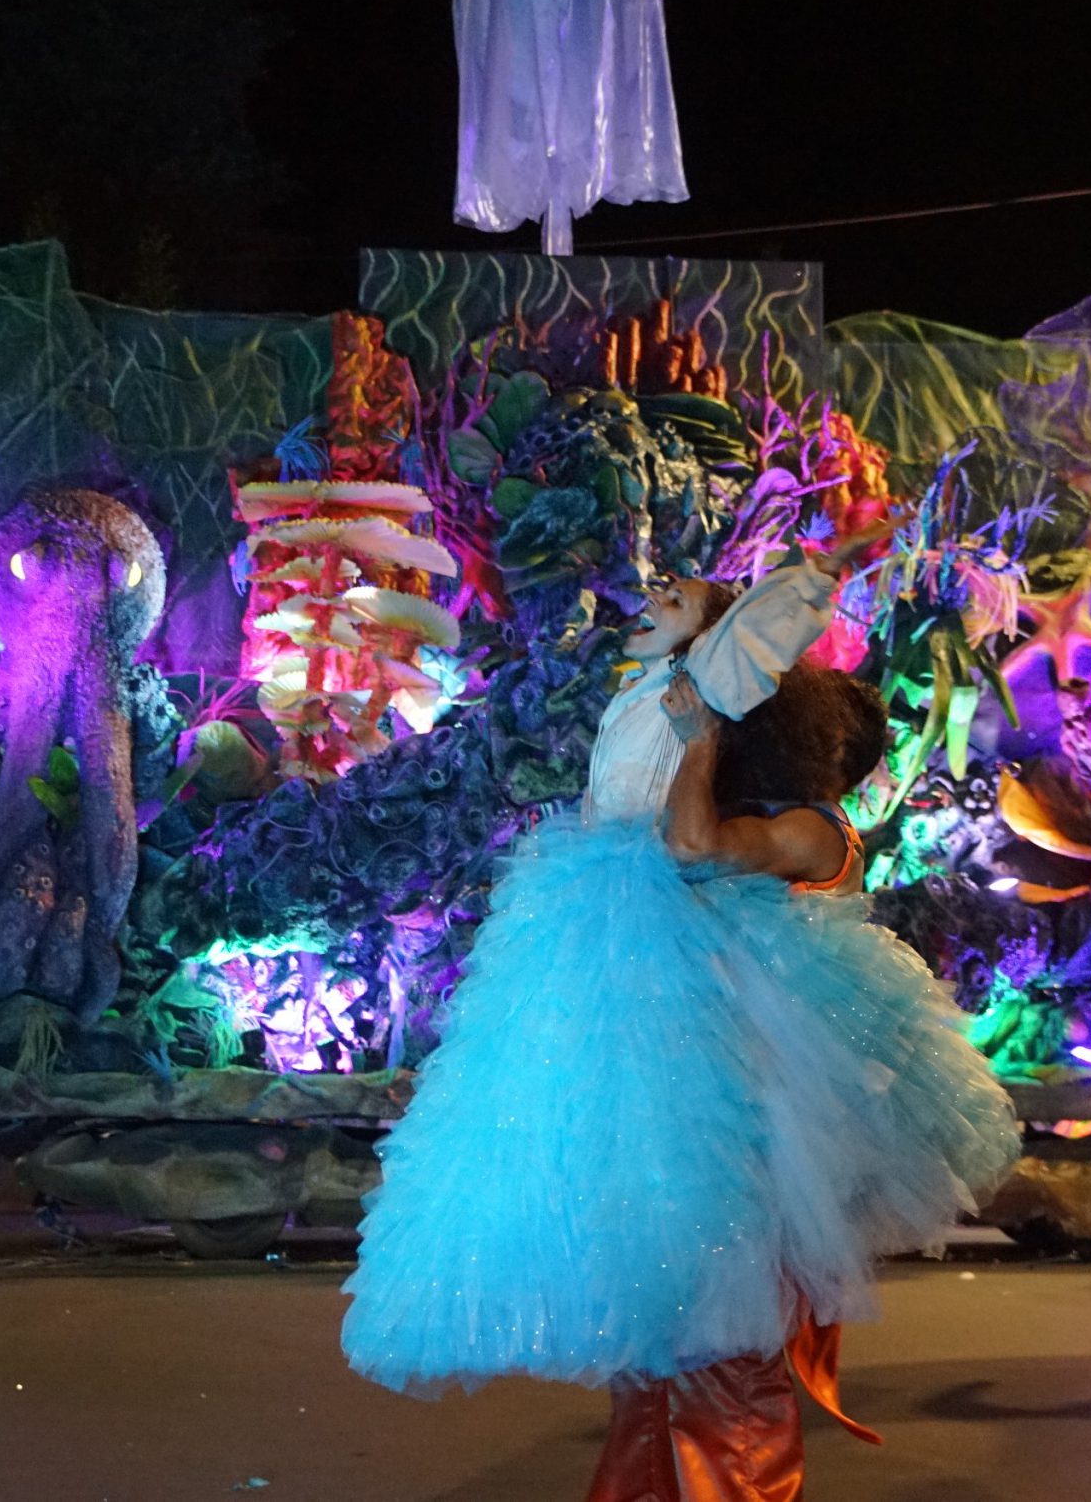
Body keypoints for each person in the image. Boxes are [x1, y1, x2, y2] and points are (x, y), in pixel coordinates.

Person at [343, 531, 1021, 1502]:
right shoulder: (745, 813)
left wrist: (702, 734)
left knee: (723, 1364)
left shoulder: (813, 831)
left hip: (763, 1136)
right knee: (657, 1359)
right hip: (703, 1120)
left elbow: (694, 846)